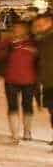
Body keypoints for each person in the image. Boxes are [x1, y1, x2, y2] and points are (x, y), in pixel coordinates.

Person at [0, 20, 38, 143]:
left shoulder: (33, 43)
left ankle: (27, 131)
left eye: (21, 28)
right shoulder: (8, 42)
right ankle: (15, 133)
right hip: (11, 79)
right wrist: (6, 46)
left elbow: (39, 60)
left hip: (29, 79)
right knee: (13, 106)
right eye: (16, 28)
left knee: (27, 106)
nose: (18, 30)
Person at [30, 13, 53, 147]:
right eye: (36, 25)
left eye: (41, 24)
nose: (38, 27)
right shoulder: (41, 39)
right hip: (48, 81)